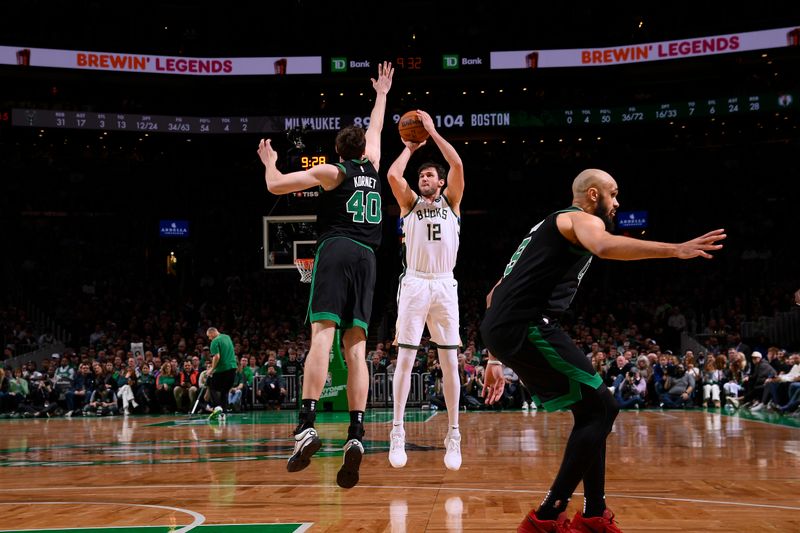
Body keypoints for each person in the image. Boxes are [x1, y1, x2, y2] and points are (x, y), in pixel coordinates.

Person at [479, 168, 726, 533]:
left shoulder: (545, 228)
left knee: (593, 411)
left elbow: (493, 291)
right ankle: (547, 516)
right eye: (614, 194)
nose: (618, 202)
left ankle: (594, 513)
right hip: (527, 323)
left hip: (506, 325)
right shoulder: (578, 219)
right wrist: (675, 250)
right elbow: (605, 246)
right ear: (593, 195)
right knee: (604, 408)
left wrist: (493, 357)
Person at [256, 61, 393, 489]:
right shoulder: (372, 164)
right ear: (363, 148)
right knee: (358, 350)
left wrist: (269, 163)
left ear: (338, 151)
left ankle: (307, 424)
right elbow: (377, 130)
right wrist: (382, 94)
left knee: (321, 337)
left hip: (336, 250)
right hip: (369, 259)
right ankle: (356, 432)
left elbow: (276, 187)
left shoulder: (333, 172)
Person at [384, 109, 465, 470]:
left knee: (450, 362)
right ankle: (397, 430)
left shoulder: (452, 203)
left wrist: (432, 131)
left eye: (430, 174)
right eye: (422, 175)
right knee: (405, 358)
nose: (424, 178)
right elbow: (391, 174)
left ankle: (454, 433)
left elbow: (458, 163)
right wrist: (411, 148)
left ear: (442, 182)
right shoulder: (409, 204)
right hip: (415, 282)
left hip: (445, 283)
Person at [206, 327, 237, 420]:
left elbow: (217, 356)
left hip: (222, 369)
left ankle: (217, 407)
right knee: (224, 391)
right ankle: (223, 413)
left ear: (212, 333)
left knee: (212, 387)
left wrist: (211, 369)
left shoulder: (214, 341)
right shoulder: (227, 337)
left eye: (209, 336)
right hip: (232, 368)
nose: (209, 338)